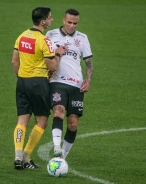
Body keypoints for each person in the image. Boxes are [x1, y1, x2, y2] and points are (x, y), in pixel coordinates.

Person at [11, 7, 67, 170]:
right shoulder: (44, 41)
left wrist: (22, 76)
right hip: (38, 84)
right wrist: (58, 53)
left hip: (22, 81)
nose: (52, 20)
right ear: (43, 21)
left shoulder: (21, 36)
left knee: (22, 120)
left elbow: (14, 61)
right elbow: (53, 66)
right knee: (41, 120)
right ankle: (27, 157)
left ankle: (17, 155)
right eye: (50, 18)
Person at [45, 8, 93, 159]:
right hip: (57, 82)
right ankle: (57, 146)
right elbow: (44, 57)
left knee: (73, 124)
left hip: (76, 84)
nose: (72, 25)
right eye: (69, 22)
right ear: (63, 20)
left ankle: (61, 158)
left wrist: (88, 80)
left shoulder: (83, 38)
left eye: (75, 23)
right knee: (58, 111)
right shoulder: (51, 35)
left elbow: (88, 62)